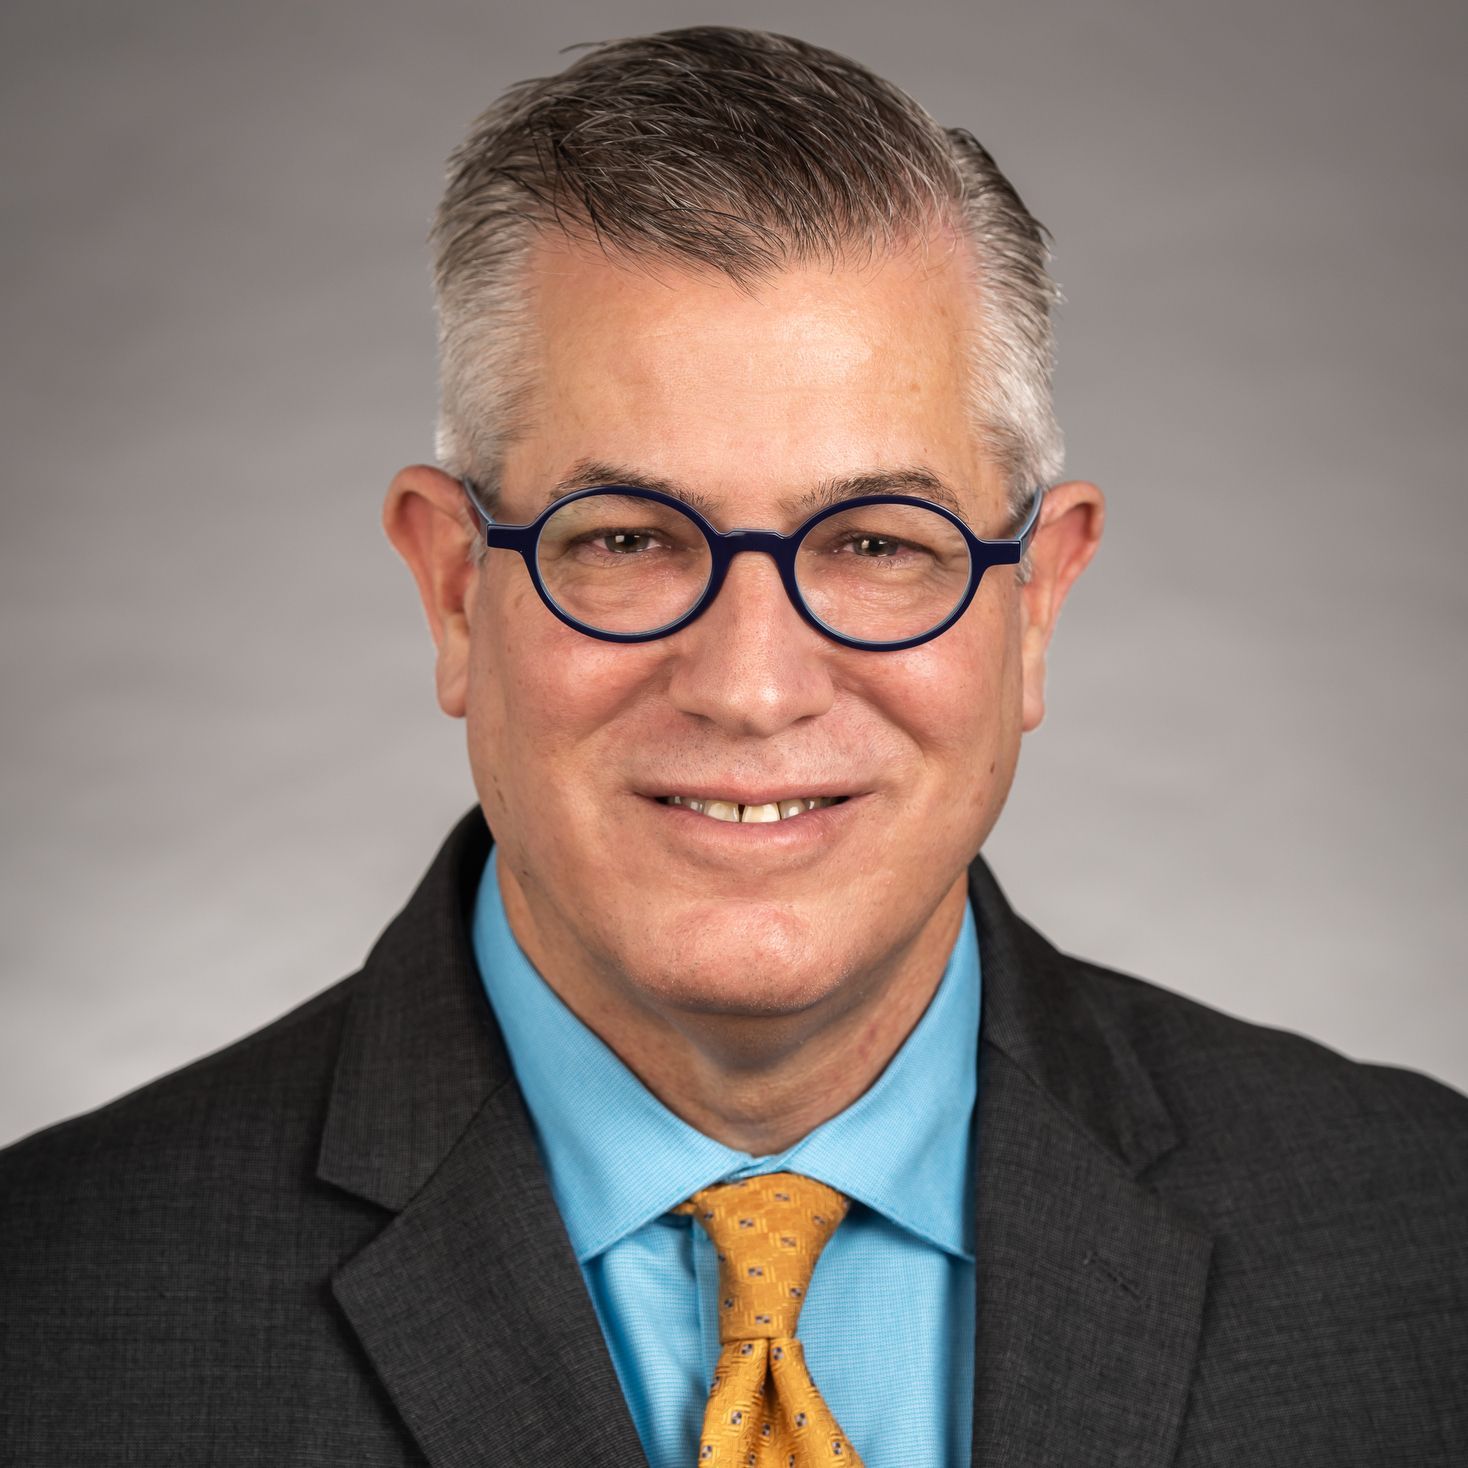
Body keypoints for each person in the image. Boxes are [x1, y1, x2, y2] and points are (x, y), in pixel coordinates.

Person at [2, 24, 1465, 1467]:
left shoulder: (1423, 1249)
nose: (753, 688)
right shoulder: (50, 1319)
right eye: (629, 538)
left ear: (1038, 606)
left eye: (879, 542)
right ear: (455, 588)